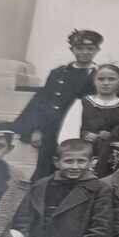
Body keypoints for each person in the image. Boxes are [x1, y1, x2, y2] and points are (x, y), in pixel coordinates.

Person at [13, 29, 102, 180]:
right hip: (53, 129)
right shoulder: (58, 73)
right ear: (72, 49)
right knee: (45, 169)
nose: (85, 52)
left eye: (90, 49)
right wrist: (36, 129)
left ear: (97, 50)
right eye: (80, 48)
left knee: (75, 169)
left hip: (80, 130)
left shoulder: (99, 75)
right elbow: (43, 101)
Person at [58, 64, 119, 176]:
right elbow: (69, 132)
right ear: (94, 81)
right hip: (83, 154)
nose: (105, 83)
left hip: (112, 155)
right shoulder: (82, 103)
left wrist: (110, 136)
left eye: (111, 79)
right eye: (101, 79)